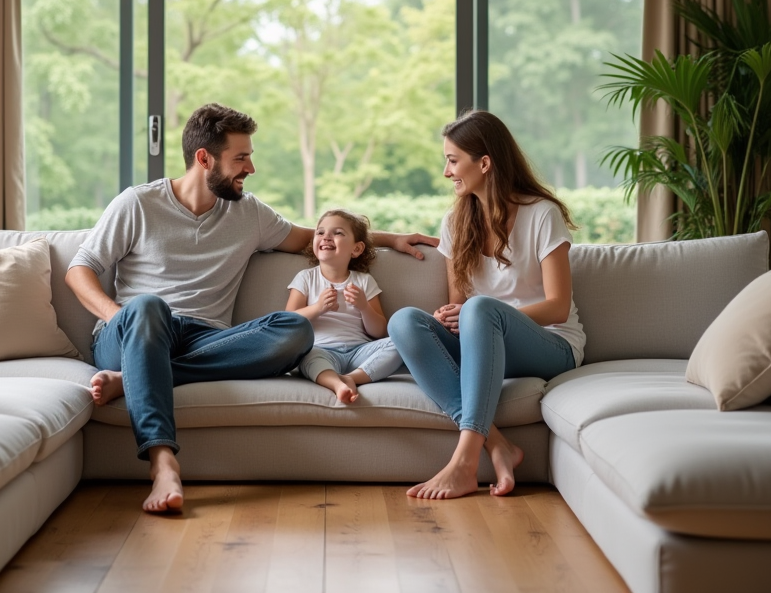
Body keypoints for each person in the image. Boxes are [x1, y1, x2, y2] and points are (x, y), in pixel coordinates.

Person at [65, 103, 437, 513]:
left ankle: (137, 377)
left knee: (296, 330)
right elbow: (80, 269)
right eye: (241, 158)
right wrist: (120, 316)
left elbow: (312, 238)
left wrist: (389, 238)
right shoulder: (137, 204)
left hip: (207, 338)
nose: (251, 169)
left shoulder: (247, 212)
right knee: (149, 308)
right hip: (136, 329)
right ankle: (163, 461)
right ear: (204, 158)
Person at [387, 110, 583, 500]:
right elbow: (460, 304)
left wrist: (487, 318)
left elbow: (558, 306)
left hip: (550, 343)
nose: (446, 172)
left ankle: (463, 462)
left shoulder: (541, 214)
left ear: (485, 163)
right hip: (486, 342)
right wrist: (450, 316)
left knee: (481, 309)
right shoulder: (455, 222)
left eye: (452, 159)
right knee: (405, 321)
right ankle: (498, 445)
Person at [286, 209, 401, 404]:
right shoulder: (306, 278)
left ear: (356, 249)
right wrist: (318, 308)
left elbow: (380, 332)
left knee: (400, 342)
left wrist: (364, 307)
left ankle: (351, 378)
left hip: (360, 352)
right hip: (321, 349)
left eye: (337, 233)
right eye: (320, 232)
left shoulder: (364, 281)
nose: (326, 237)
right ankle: (337, 385)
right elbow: (288, 322)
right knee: (305, 354)